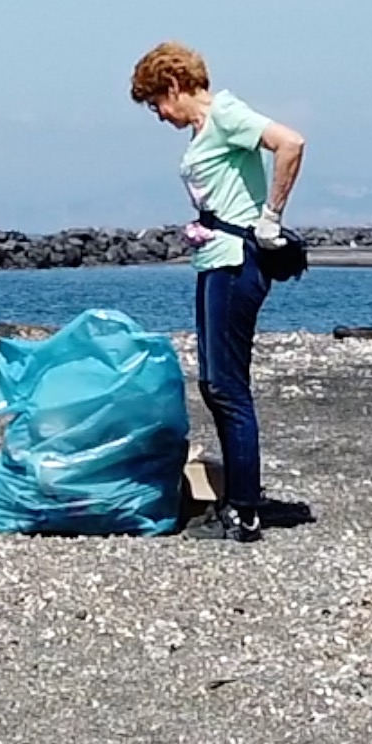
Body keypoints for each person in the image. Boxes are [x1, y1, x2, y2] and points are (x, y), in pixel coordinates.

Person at [130, 41, 307, 542]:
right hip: (216, 257)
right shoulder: (206, 128)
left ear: (173, 86)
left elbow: (290, 143)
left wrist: (270, 220)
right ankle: (237, 499)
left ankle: (245, 511)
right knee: (214, 385)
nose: (160, 116)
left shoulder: (226, 113)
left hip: (237, 262)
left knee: (228, 387)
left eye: (156, 104)